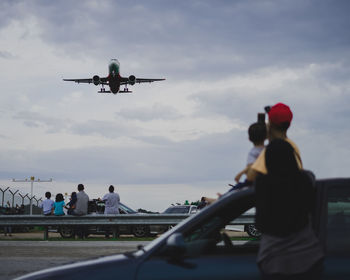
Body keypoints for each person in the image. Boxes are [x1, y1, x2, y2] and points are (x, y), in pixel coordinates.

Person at [255, 139, 324, 279]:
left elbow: (260, 224)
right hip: (309, 258)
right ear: (292, 157)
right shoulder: (306, 180)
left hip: (274, 260)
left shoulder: (262, 183)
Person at [247, 103, 302, 182]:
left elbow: (251, 176)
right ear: (288, 125)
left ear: (270, 123)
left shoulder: (273, 148)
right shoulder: (292, 145)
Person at [232, 121, 266, 190]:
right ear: (266, 137)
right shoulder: (267, 150)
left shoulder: (252, 152)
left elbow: (251, 167)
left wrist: (241, 173)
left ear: (249, 139)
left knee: (236, 188)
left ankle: (220, 198)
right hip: (265, 179)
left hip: (252, 182)